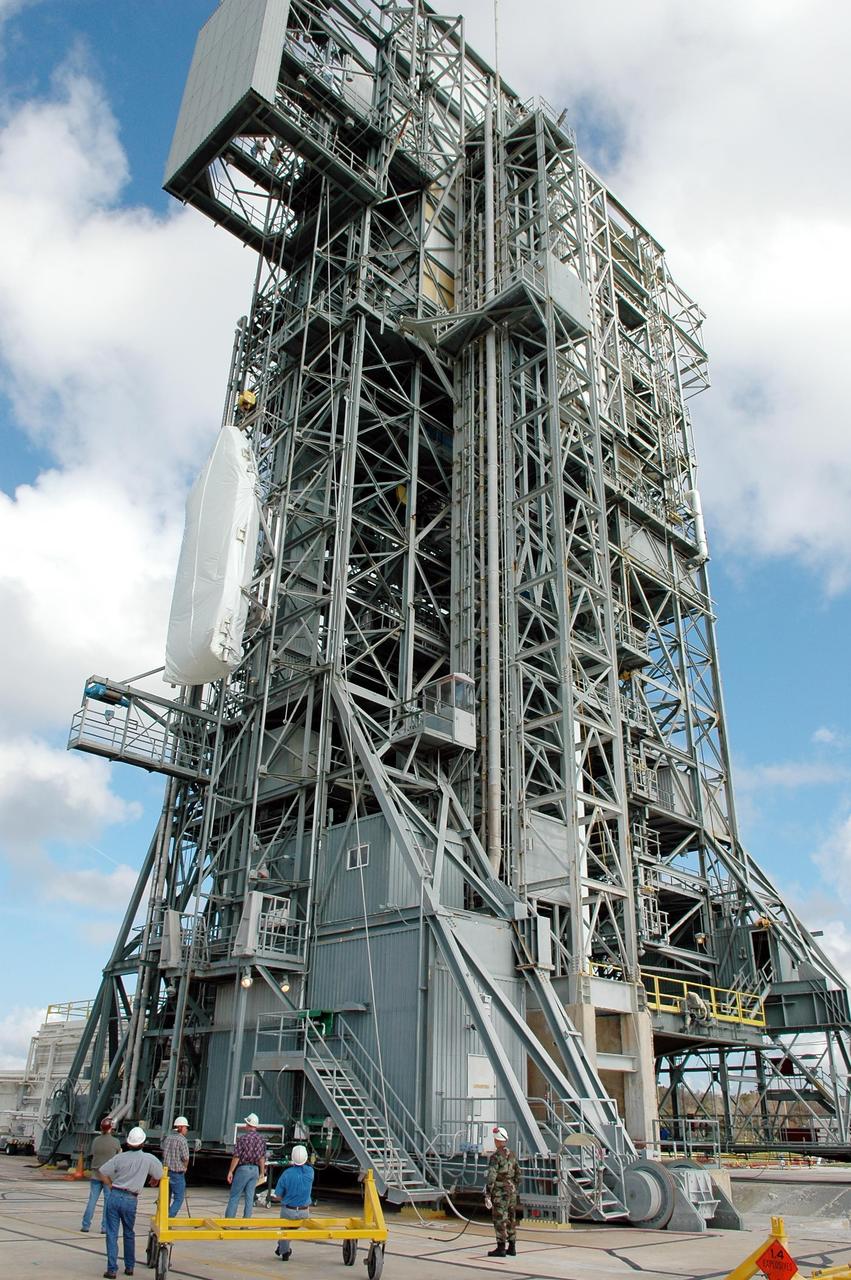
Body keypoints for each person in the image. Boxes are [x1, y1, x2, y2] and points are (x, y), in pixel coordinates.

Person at [99, 1126, 164, 1279]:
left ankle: (112, 1270)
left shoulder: (119, 1157)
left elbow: (102, 1171)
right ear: (143, 1143)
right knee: (129, 1233)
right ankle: (129, 1267)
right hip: (130, 1199)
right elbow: (160, 1174)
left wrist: (110, 1185)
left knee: (112, 1234)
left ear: (128, 1143)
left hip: (114, 1196)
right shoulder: (148, 1158)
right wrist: (153, 1179)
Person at [270, 1144, 314, 1262]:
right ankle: (282, 1246)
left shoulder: (287, 1174)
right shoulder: (310, 1172)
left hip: (289, 1210)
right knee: (291, 1230)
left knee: (285, 1230)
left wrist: (272, 1198)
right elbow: (307, 1165)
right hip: (304, 1212)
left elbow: (278, 1196)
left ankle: (284, 1251)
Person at [484, 1125, 520, 1258]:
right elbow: (518, 1174)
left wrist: (488, 1193)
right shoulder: (513, 1155)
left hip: (500, 1192)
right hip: (512, 1191)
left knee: (500, 1219)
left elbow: (492, 1176)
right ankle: (512, 1246)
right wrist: (513, 1186)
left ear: (497, 1141)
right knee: (511, 1218)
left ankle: (501, 1248)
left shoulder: (495, 1157)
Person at [81, 1117, 121, 1234]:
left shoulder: (96, 1140)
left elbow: (92, 1154)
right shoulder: (115, 1142)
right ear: (111, 1128)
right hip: (108, 1177)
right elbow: (118, 1155)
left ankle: (86, 1225)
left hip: (95, 1174)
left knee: (92, 1200)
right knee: (108, 1202)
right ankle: (104, 1227)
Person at [225, 1113, 267, 1218]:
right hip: (255, 1170)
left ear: (248, 1125)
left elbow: (237, 1156)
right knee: (249, 1197)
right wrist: (262, 1172)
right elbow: (262, 1158)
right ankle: (245, 1225)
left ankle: (228, 1222)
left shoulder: (242, 1139)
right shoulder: (261, 1140)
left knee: (235, 1196)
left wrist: (230, 1171)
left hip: (243, 1169)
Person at [161, 1116, 190, 1217]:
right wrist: (185, 1167)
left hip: (165, 1172)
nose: (187, 1130)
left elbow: (164, 1153)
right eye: (186, 1127)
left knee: (166, 1197)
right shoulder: (182, 1140)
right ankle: (169, 1218)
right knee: (179, 1197)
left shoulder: (168, 1138)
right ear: (181, 1127)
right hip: (177, 1173)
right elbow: (185, 1157)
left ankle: (163, 1217)